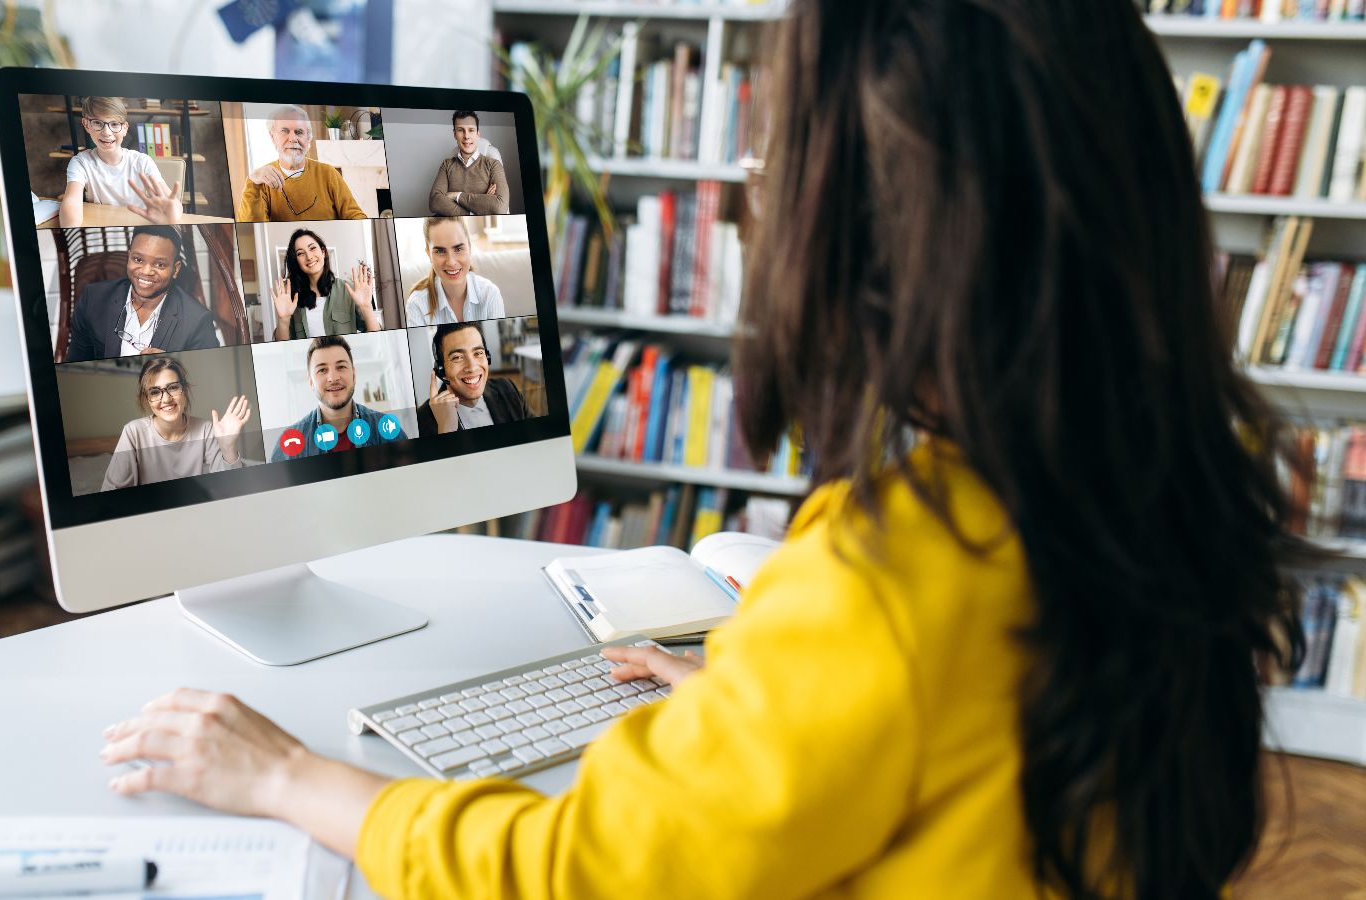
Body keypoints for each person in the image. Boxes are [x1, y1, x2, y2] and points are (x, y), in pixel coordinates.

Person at [100, 2, 1309, 897]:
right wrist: (767, 711)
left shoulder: (895, 574)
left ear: (883, 230)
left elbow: (586, 872)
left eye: (777, 158)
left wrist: (294, 782)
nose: (758, 192)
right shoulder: (1137, 493)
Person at [63, 226, 220, 363]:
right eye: (138, 259)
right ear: (129, 257)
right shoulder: (93, 299)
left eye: (159, 264)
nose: (145, 271)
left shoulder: (198, 321)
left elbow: (209, 377)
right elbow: (76, 363)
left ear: (176, 269)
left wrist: (173, 366)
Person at [99, 357, 250, 491]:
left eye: (173, 387)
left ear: (184, 390)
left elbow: (231, 486)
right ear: (146, 399)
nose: (166, 399)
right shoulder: (133, 432)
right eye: (155, 392)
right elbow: (111, 492)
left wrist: (228, 447)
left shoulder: (205, 429)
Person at [57, 95, 182, 227]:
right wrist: (71, 229)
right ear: (86, 124)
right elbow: (71, 202)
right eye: (97, 123)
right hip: (102, 231)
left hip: (137, 230)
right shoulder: (80, 162)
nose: (107, 132)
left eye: (115, 124)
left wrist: (173, 212)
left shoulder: (142, 161)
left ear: (125, 128)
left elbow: (172, 204)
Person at [267, 336, 395, 461]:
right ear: (311, 382)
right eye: (322, 370)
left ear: (354, 376)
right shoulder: (289, 445)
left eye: (341, 367)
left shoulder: (387, 429)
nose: (333, 378)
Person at [238, 105, 366, 222]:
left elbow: (355, 215)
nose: (293, 139)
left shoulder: (329, 173)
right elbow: (251, 228)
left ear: (308, 138)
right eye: (284, 131)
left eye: (299, 132)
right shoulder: (262, 181)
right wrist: (252, 181)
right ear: (273, 137)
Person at [415, 322, 527, 436]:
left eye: (478, 353)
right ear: (441, 369)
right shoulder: (422, 419)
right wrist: (446, 428)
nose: (472, 367)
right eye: (457, 357)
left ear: (487, 357)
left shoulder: (507, 388)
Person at [269, 228, 381, 339]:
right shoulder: (292, 299)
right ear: (296, 261)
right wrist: (283, 319)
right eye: (300, 253)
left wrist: (366, 307)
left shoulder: (348, 290)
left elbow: (377, 339)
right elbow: (283, 347)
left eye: (312, 248)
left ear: (323, 252)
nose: (309, 257)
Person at [403, 217, 505, 327]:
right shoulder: (417, 304)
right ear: (428, 253)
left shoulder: (490, 295)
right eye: (440, 251)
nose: (451, 262)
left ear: (470, 247)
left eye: (458, 249)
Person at [428, 110, 510, 217]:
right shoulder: (446, 165)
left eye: (471, 130)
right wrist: (479, 208)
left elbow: (499, 207)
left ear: (478, 135)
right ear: (455, 135)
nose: (466, 136)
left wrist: (456, 196)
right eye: (461, 130)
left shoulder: (493, 165)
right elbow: (434, 202)